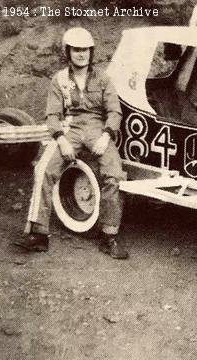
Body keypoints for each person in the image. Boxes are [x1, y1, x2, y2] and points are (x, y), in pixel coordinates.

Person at [15, 27, 128, 259]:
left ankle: (109, 236)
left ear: (91, 52)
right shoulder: (59, 80)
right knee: (44, 169)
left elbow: (115, 112)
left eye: (85, 49)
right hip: (71, 128)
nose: (81, 54)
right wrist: (61, 140)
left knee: (113, 175)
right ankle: (38, 234)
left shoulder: (104, 79)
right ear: (68, 52)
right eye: (76, 50)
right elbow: (52, 116)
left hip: (98, 129)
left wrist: (106, 136)